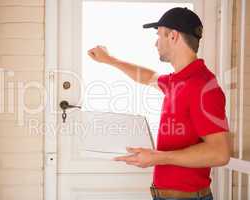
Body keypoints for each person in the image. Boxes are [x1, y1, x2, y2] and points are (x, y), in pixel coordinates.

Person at [87, 7, 231, 200]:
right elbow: (148, 77)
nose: (156, 43)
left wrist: (158, 157)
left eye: (159, 35)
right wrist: (109, 60)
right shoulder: (177, 80)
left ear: (173, 36)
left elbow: (220, 153)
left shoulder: (204, 86)